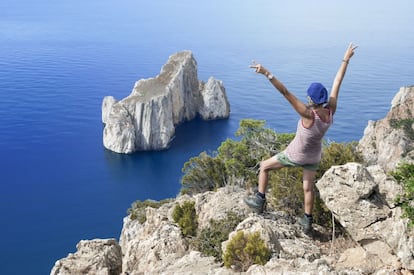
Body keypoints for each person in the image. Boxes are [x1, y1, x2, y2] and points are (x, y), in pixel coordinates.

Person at [244, 43, 358, 235]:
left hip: (295, 155)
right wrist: (346, 59)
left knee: (264, 166)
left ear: (311, 100)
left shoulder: (307, 114)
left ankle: (259, 201)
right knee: (308, 188)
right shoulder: (330, 110)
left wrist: (266, 73)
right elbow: (338, 81)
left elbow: (285, 92)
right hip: (314, 156)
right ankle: (307, 223)